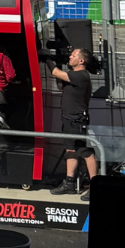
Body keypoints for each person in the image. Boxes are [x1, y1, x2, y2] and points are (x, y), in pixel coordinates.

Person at [48, 47, 99, 198]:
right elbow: (59, 83)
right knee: (70, 149)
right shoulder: (73, 76)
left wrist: (48, 59)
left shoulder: (81, 76)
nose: (70, 57)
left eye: (73, 55)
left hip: (77, 120)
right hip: (68, 119)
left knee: (85, 152)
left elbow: (55, 73)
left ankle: (95, 186)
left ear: (81, 60)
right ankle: (69, 183)